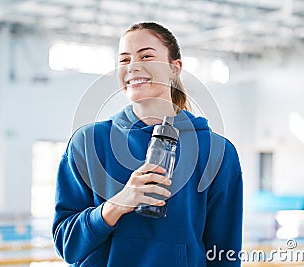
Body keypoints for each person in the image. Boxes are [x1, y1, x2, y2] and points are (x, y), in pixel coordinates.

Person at [52, 22, 243, 266]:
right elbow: (67, 245)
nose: (133, 66)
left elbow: (224, 253)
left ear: (175, 68)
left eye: (146, 56)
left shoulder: (217, 152)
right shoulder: (88, 143)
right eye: (124, 60)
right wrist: (116, 205)